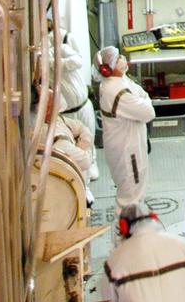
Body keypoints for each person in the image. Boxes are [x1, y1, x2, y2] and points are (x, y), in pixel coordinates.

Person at [95, 47, 155, 209]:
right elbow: (149, 112)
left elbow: (142, 94)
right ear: (109, 68)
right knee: (131, 195)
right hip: (129, 151)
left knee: (133, 189)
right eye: (118, 58)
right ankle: (128, 224)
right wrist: (144, 101)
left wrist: (143, 100)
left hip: (125, 145)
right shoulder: (118, 91)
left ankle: (133, 221)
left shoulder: (117, 81)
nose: (123, 58)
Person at [50, 21, 98, 179]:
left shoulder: (64, 43)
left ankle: (92, 163)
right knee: (73, 148)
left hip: (83, 104)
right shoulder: (41, 54)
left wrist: (57, 63)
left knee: (89, 135)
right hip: (66, 112)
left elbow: (78, 61)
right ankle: (82, 179)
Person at [36, 89, 95, 204]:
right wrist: (85, 147)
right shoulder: (55, 138)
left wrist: (80, 146)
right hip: (66, 193)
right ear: (47, 110)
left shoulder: (57, 120)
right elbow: (85, 161)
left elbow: (82, 128)